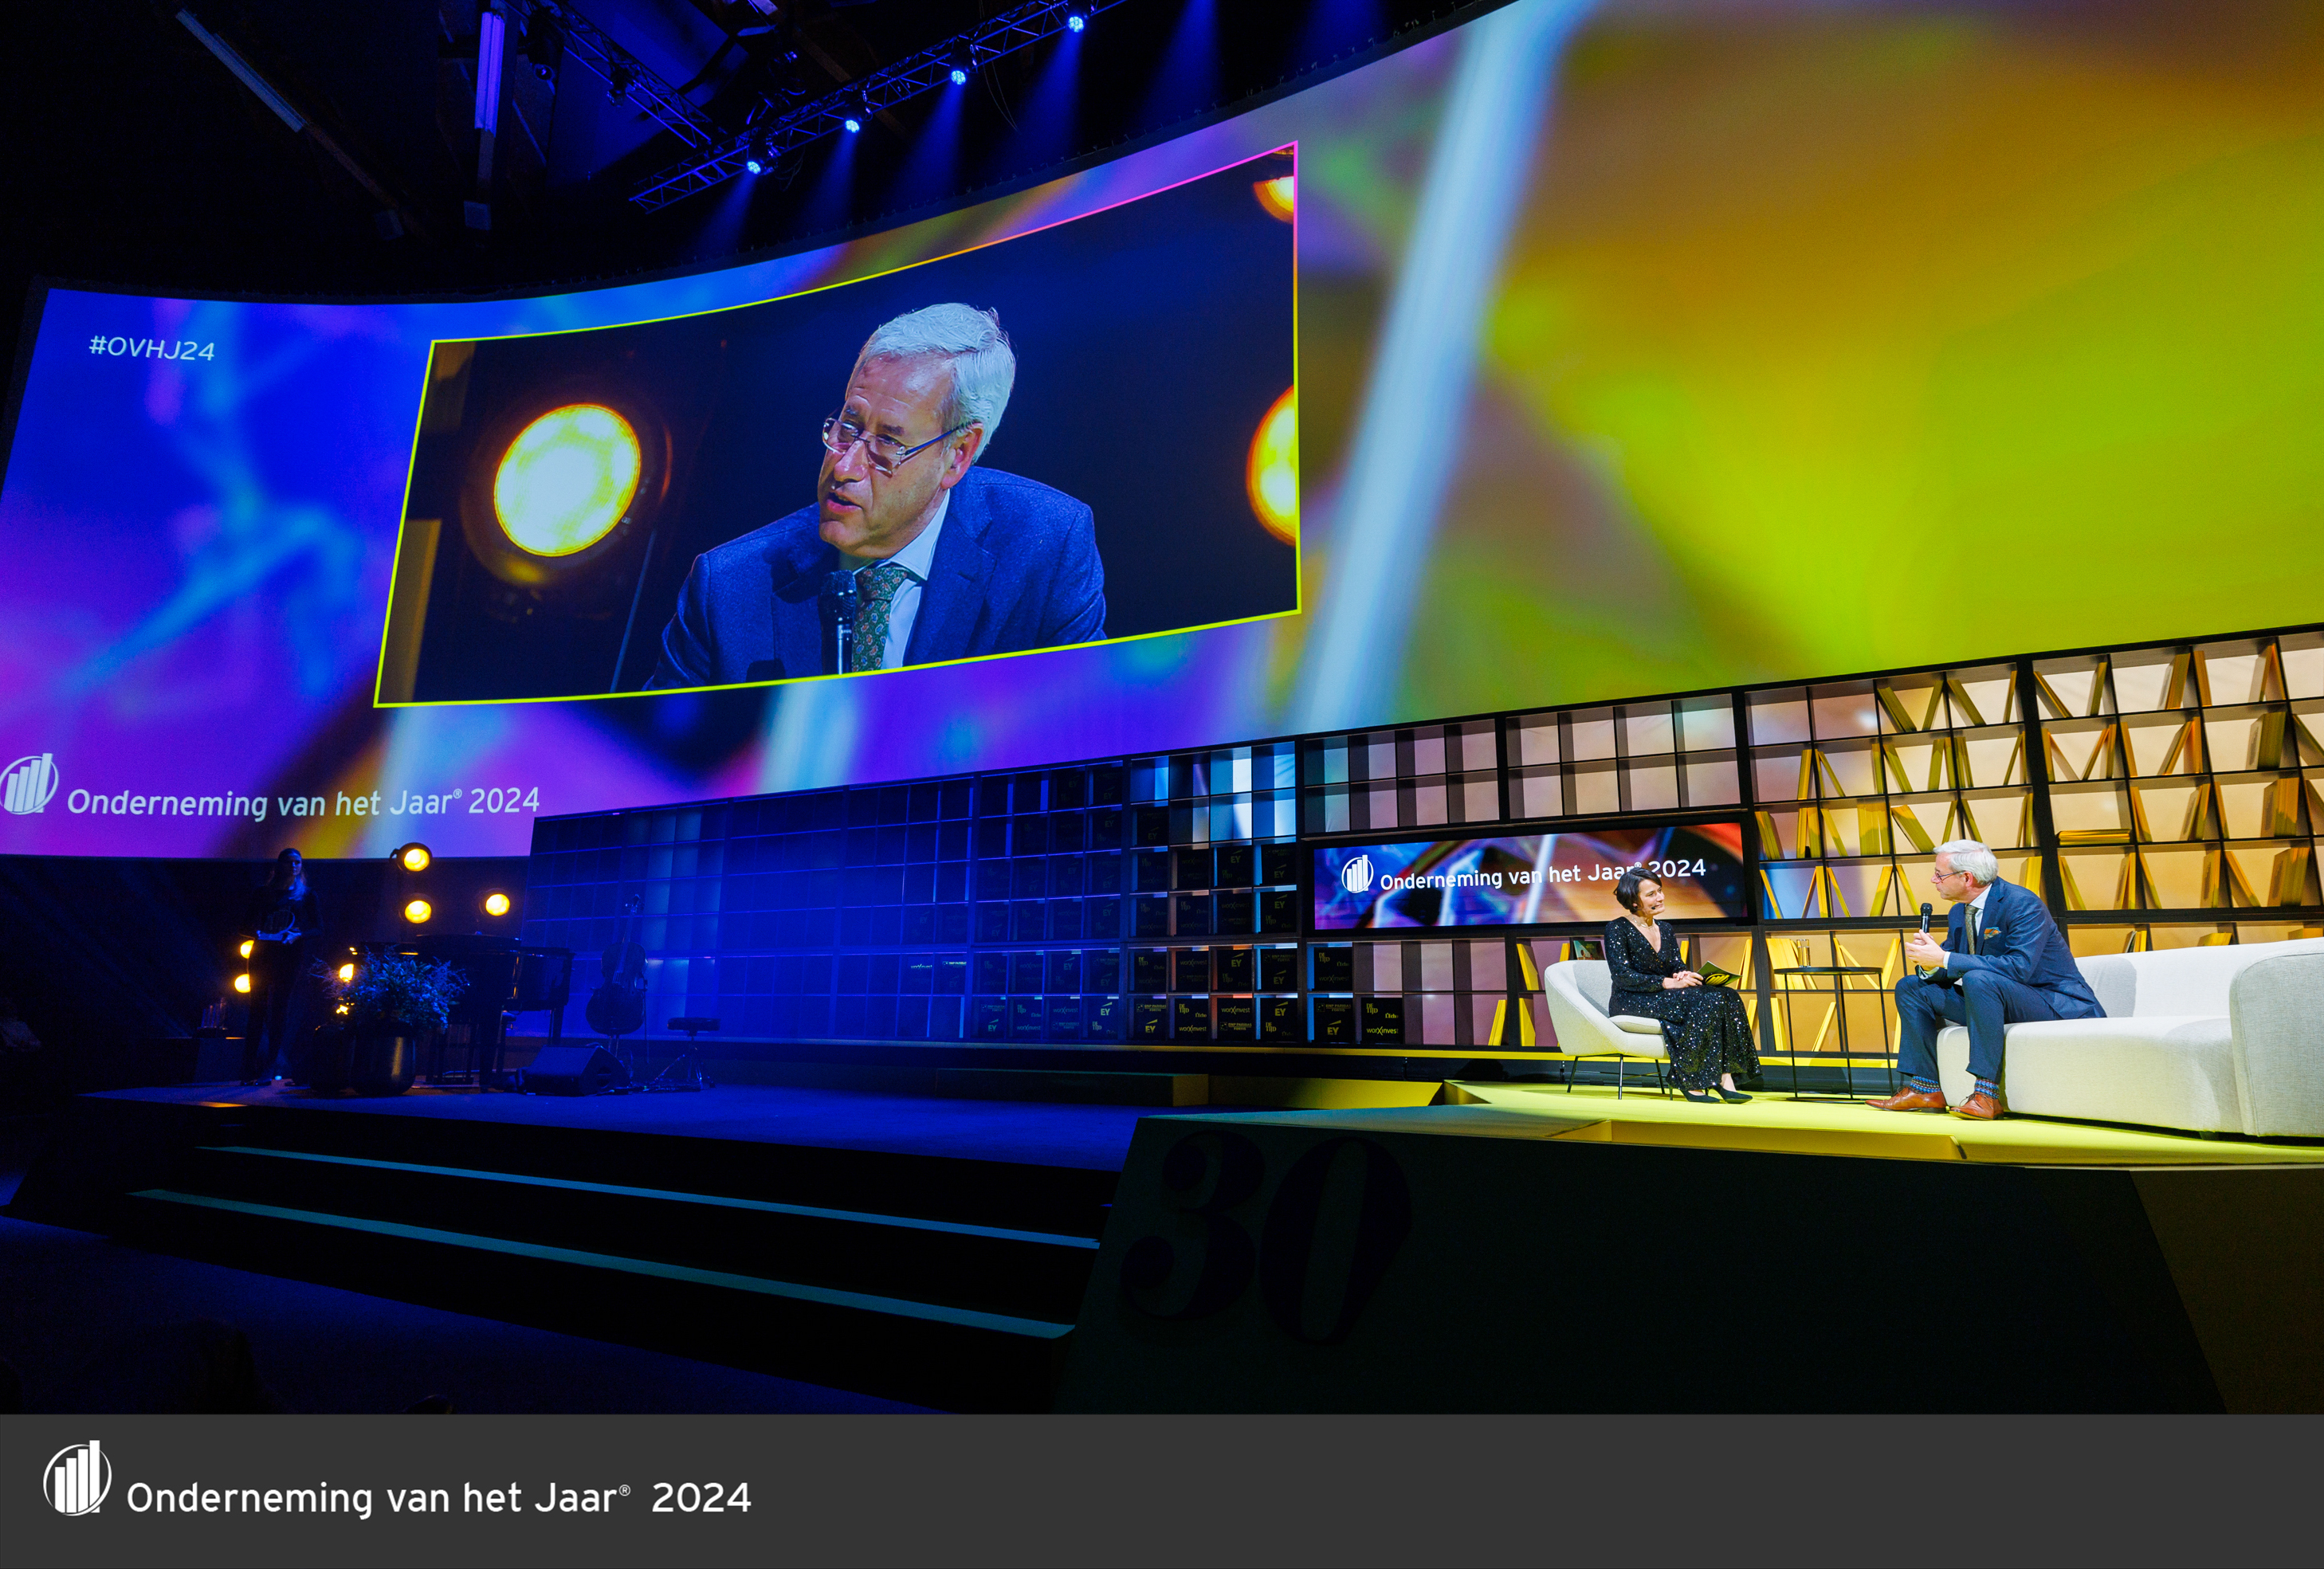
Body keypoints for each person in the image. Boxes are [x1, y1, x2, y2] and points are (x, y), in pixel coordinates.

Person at [646, 303, 1106, 688]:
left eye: (888, 442)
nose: (844, 467)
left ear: (958, 455)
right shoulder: (728, 589)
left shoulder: (1045, 549)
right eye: (848, 427)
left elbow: (1085, 735)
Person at [1871, 838, 2103, 1120]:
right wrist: (1931, 963)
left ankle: (1986, 1095)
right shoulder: (1959, 911)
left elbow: (2019, 968)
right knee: (1912, 987)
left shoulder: (2021, 903)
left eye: (1939, 875)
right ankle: (1924, 1088)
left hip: (2053, 1002)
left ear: (1966, 878)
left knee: (1979, 979)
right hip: (1993, 1000)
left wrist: (1945, 958)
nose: (1934, 880)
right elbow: (1954, 965)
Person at [1604, 869, 1758, 1104]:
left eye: (1660, 891)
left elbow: (1675, 964)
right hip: (1631, 999)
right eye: (1651, 894)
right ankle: (1691, 1081)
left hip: (1662, 995)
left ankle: (1726, 1078)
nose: (1660, 897)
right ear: (1634, 901)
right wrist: (1667, 982)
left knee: (1727, 995)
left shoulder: (1665, 928)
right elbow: (1622, 976)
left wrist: (1682, 973)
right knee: (1704, 1000)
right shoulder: (1617, 928)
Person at [241, 848, 320, 1085]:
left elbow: (318, 928)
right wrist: (257, 933)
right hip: (262, 954)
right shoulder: (263, 893)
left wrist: (298, 935)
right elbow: (244, 925)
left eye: (298, 862)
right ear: (279, 865)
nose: (294, 866)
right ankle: (248, 1068)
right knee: (257, 1008)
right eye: (289, 862)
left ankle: (270, 1066)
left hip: (289, 956)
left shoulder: (307, 895)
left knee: (280, 1008)